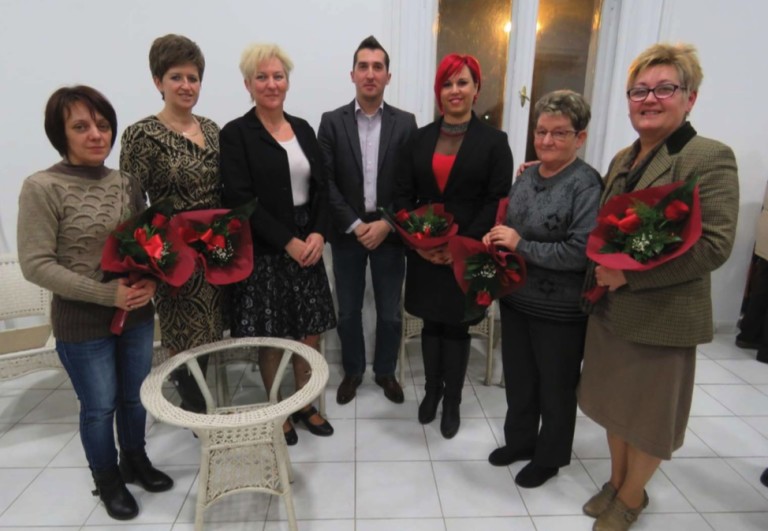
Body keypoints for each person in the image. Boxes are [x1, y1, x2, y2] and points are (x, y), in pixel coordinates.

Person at [578, 43, 738, 531]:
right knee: (614, 404)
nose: (649, 99)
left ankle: (632, 497)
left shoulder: (707, 156)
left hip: (663, 316)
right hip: (611, 309)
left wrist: (630, 274)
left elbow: (714, 245)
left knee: (647, 416)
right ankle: (616, 481)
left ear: (690, 98)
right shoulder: (624, 157)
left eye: (664, 88)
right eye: (639, 91)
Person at [17, 86, 173, 521]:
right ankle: (107, 479)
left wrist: (152, 281)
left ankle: (135, 460)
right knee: (100, 406)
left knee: (134, 397)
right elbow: (36, 265)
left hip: (136, 314)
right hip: (82, 323)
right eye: (81, 126)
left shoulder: (126, 182)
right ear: (60, 133)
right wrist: (107, 294)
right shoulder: (42, 187)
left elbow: (148, 243)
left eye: (103, 126)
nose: (96, 135)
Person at [483, 90, 601, 487]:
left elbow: (580, 252)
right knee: (519, 381)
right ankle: (520, 442)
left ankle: (549, 457)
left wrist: (520, 245)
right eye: (541, 131)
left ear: (580, 138)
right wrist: (496, 238)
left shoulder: (585, 184)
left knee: (555, 387)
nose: (547, 141)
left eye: (559, 133)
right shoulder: (526, 176)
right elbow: (511, 224)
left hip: (560, 310)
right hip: (517, 300)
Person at [220, 43, 336, 445]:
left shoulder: (303, 128)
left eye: (278, 76)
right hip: (267, 247)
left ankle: (304, 402)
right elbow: (239, 199)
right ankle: (276, 409)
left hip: (309, 241)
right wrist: (287, 241)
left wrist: (319, 232)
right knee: (272, 335)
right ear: (248, 84)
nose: (271, 84)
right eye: (262, 77)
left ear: (287, 81)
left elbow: (322, 188)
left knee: (309, 331)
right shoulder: (236, 134)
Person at [394, 53, 512, 439]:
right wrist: (418, 244)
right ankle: (432, 393)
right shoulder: (418, 139)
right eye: (447, 83)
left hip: (466, 253)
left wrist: (459, 247)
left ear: (477, 89)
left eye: (463, 82)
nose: (455, 90)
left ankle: (453, 402)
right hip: (425, 250)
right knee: (431, 324)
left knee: (458, 327)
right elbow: (402, 195)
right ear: (438, 91)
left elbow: (496, 200)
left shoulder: (495, 142)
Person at [120, 34, 223, 413]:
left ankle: (205, 408)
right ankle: (198, 417)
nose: (186, 85)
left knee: (212, 335)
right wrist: (151, 263)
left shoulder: (212, 130)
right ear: (157, 81)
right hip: (175, 258)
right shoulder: (141, 135)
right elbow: (133, 206)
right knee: (184, 340)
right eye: (176, 77)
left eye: (193, 78)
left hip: (217, 252)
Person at [318, 35, 417, 405]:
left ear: (388, 76)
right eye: (363, 66)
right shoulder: (331, 122)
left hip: (390, 232)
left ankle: (386, 372)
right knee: (348, 311)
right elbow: (325, 182)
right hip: (348, 233)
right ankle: (354, 371)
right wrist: (357, 225)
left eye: (378, 67)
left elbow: (410, 185)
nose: (370, 74)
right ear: (352, 74)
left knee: (390, 312)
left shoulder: (406, 124)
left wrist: (387, 223)